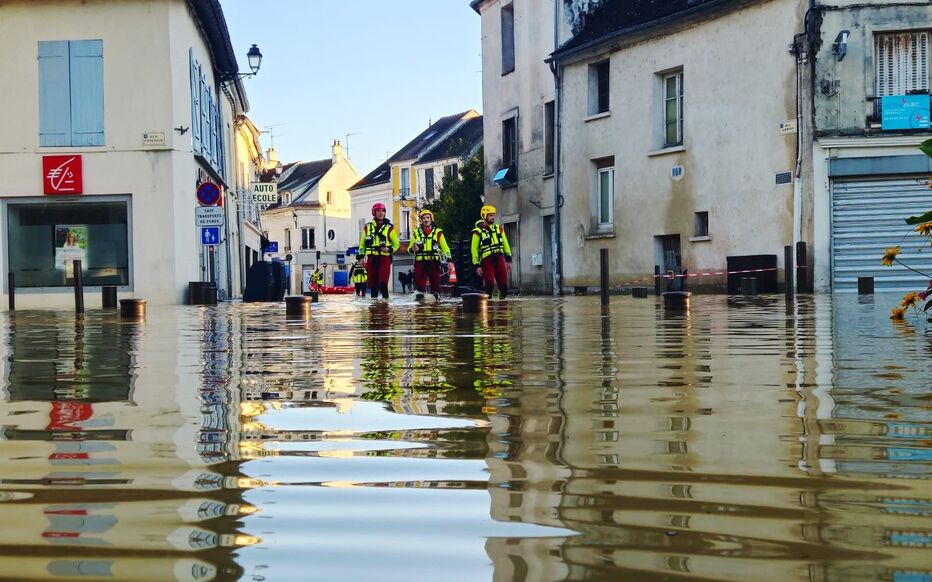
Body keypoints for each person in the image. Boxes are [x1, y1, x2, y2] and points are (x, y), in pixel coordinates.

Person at [358, 202, 400, 299]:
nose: (381, 213)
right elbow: (362, 244)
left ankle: (385, 308)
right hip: (371, 259)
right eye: (378, 211)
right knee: (373, 285)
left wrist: (389, 249)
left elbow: (396, 244)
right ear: (374, 212)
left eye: (383, 211)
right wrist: (361, 257)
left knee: (383, 283)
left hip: (384, 258)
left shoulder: (390, 228)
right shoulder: (367, 227)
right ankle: (374, 308)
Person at [471, 204, 512, 299]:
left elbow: (506, 244)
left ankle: (503, 309)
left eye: (494, 215)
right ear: (484, 216)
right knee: (489, 285)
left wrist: (509, 260)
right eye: (490, 215)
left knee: (504, 287)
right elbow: (474, 250)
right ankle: (488, 309)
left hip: (499, 258)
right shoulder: (478, 232)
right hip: (487, 260)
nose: (493, 217)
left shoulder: (499, 228)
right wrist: (477, 265)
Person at [409, 210, 451, 300]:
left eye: (428, 217)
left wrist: (449, 260)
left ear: (431, 219)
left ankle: (436, 306)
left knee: (435, 286)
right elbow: (410, 249)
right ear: (421, 220)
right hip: (420, 263)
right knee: (420, 287)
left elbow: (445, 248)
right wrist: (413, 249)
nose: (426, 220)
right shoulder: (416, 233)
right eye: (423, 218)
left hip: (433, 262)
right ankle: (420, 308)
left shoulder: (438, 232)